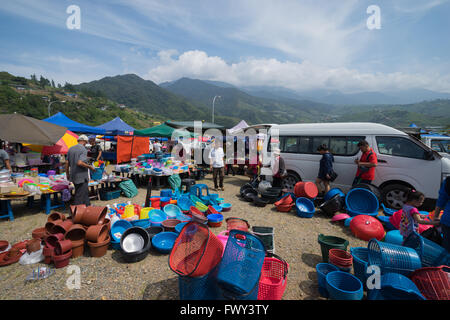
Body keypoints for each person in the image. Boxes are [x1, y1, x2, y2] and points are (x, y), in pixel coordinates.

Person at [66, 135, 96, 206]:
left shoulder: (70, 149)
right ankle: (75, 212)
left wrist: (67, 174)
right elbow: (79, 162)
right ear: (85, 141)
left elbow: (67, 162)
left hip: (73, 175)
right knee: (79, 195)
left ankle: (87, 206)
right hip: (81, 176)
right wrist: (90, 167)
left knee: (84, 192)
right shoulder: (83, 149)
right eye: (86, 142)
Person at [433, 177, 450, 252]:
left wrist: (435, 217)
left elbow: (441, 200)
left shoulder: (448, 181)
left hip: (447, 220)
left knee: (447, 249)